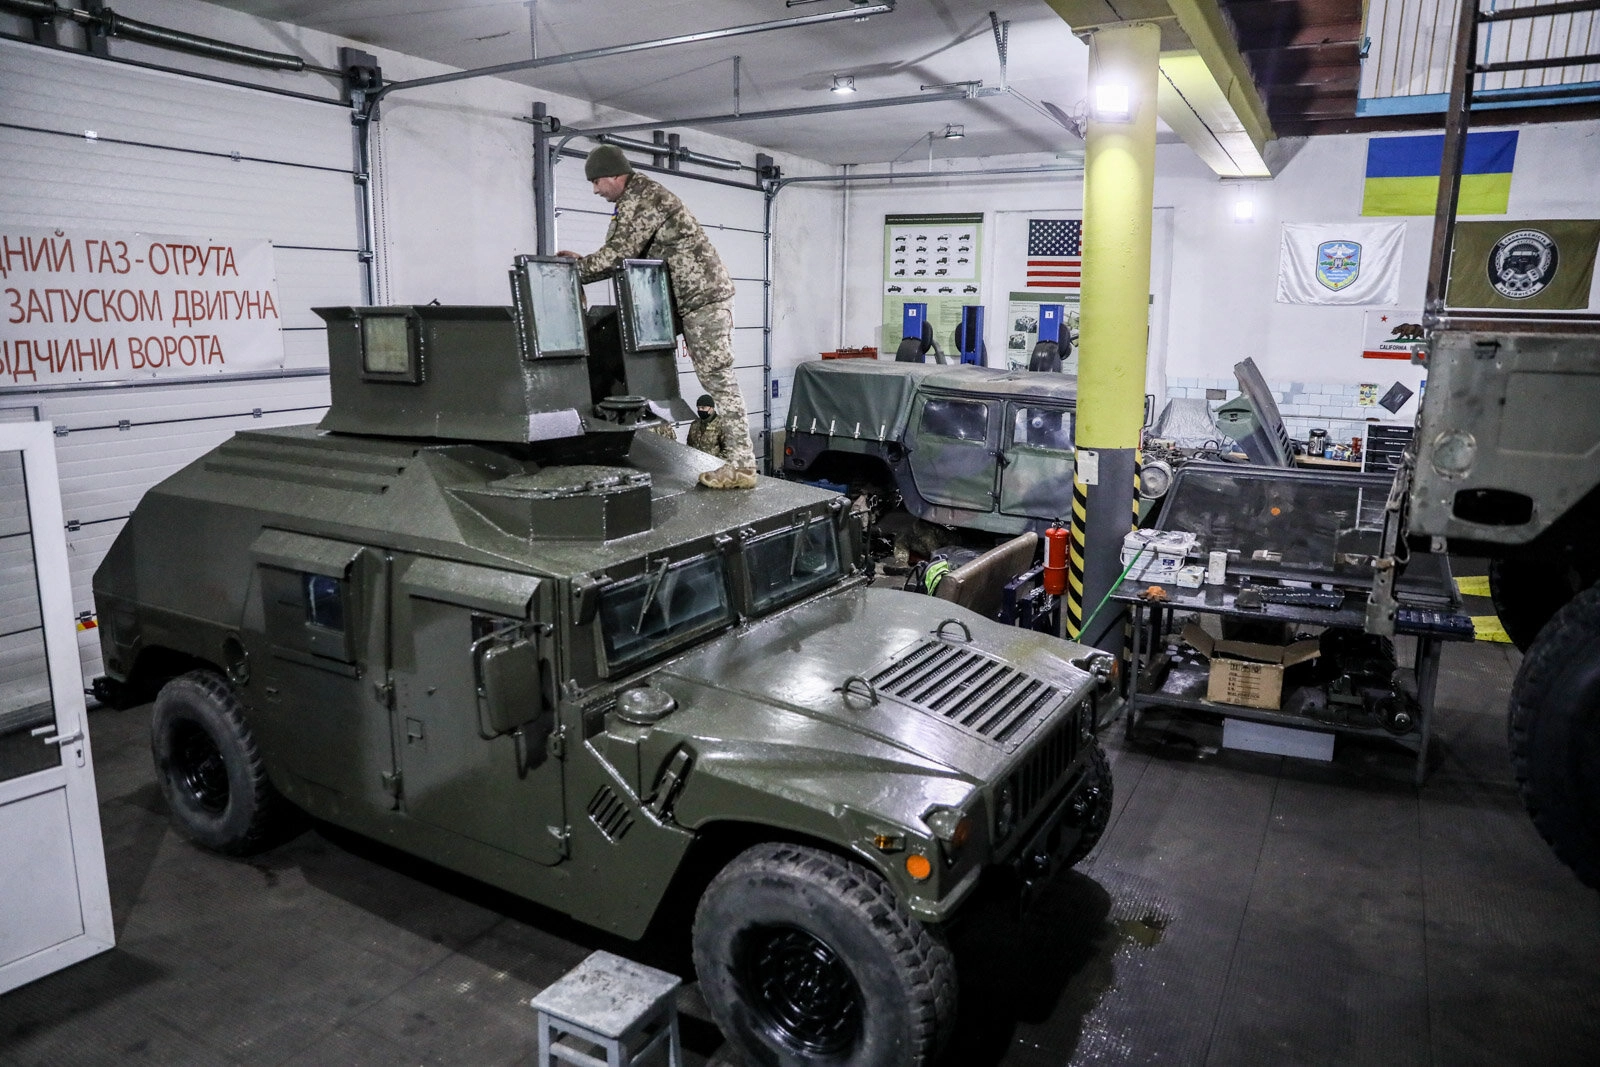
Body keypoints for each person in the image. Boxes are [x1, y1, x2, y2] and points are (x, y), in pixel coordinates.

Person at [557, 145, 758, 490]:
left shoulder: (642, 198)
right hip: (687, 301)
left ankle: (741, 466)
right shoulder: (636, 197)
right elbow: (618, 255)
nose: (595, 190)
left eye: (597, 182)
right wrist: (585, 263)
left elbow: (617, 255)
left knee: (719, 380)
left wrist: (576, 269)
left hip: (701, 299)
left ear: (616, 175)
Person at [687, 393, 737, 462]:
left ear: (711, 408)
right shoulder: (695, 424)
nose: (700, 410)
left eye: (703, 408)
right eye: (698, 408)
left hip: (714, 469)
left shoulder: (722, 425)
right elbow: (689, 446)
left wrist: (714, 464)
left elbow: (729, 451)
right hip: (696, 466)